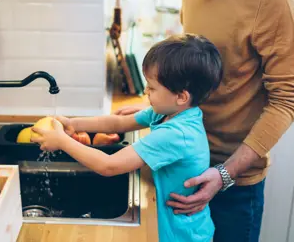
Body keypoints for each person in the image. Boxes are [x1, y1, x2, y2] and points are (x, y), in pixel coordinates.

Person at [115, 0, 294, 241]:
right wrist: (156, 111)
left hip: (232, 184)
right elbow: (194, 71)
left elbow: (288, 99)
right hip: (183, 164)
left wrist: (225, 174)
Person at [31, 34, 223, 242]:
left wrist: (61, 142)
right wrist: (73, 123)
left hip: (181, 235)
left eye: (152, 87)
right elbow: (118, 123)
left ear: (181, 96)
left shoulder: (176, 134)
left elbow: (109, 166)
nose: (146, 92)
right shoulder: (170, 112)